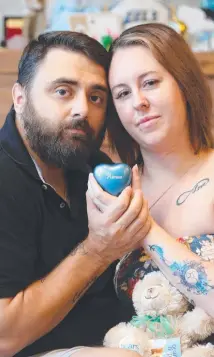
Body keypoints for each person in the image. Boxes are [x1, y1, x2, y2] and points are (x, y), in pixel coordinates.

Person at [0, 30, 152, 357]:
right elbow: (4, 337)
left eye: (96, 96)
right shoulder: (5, 181)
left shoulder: (92, 165)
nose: (82, 109)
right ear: (20, 97)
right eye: (63, 91)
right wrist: (98, 250)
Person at [88, 23, 214, 351]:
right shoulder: (110, 189)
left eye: (151, 83)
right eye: (122, 93)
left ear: (184, 83)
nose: (139, 102)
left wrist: (143, 226)